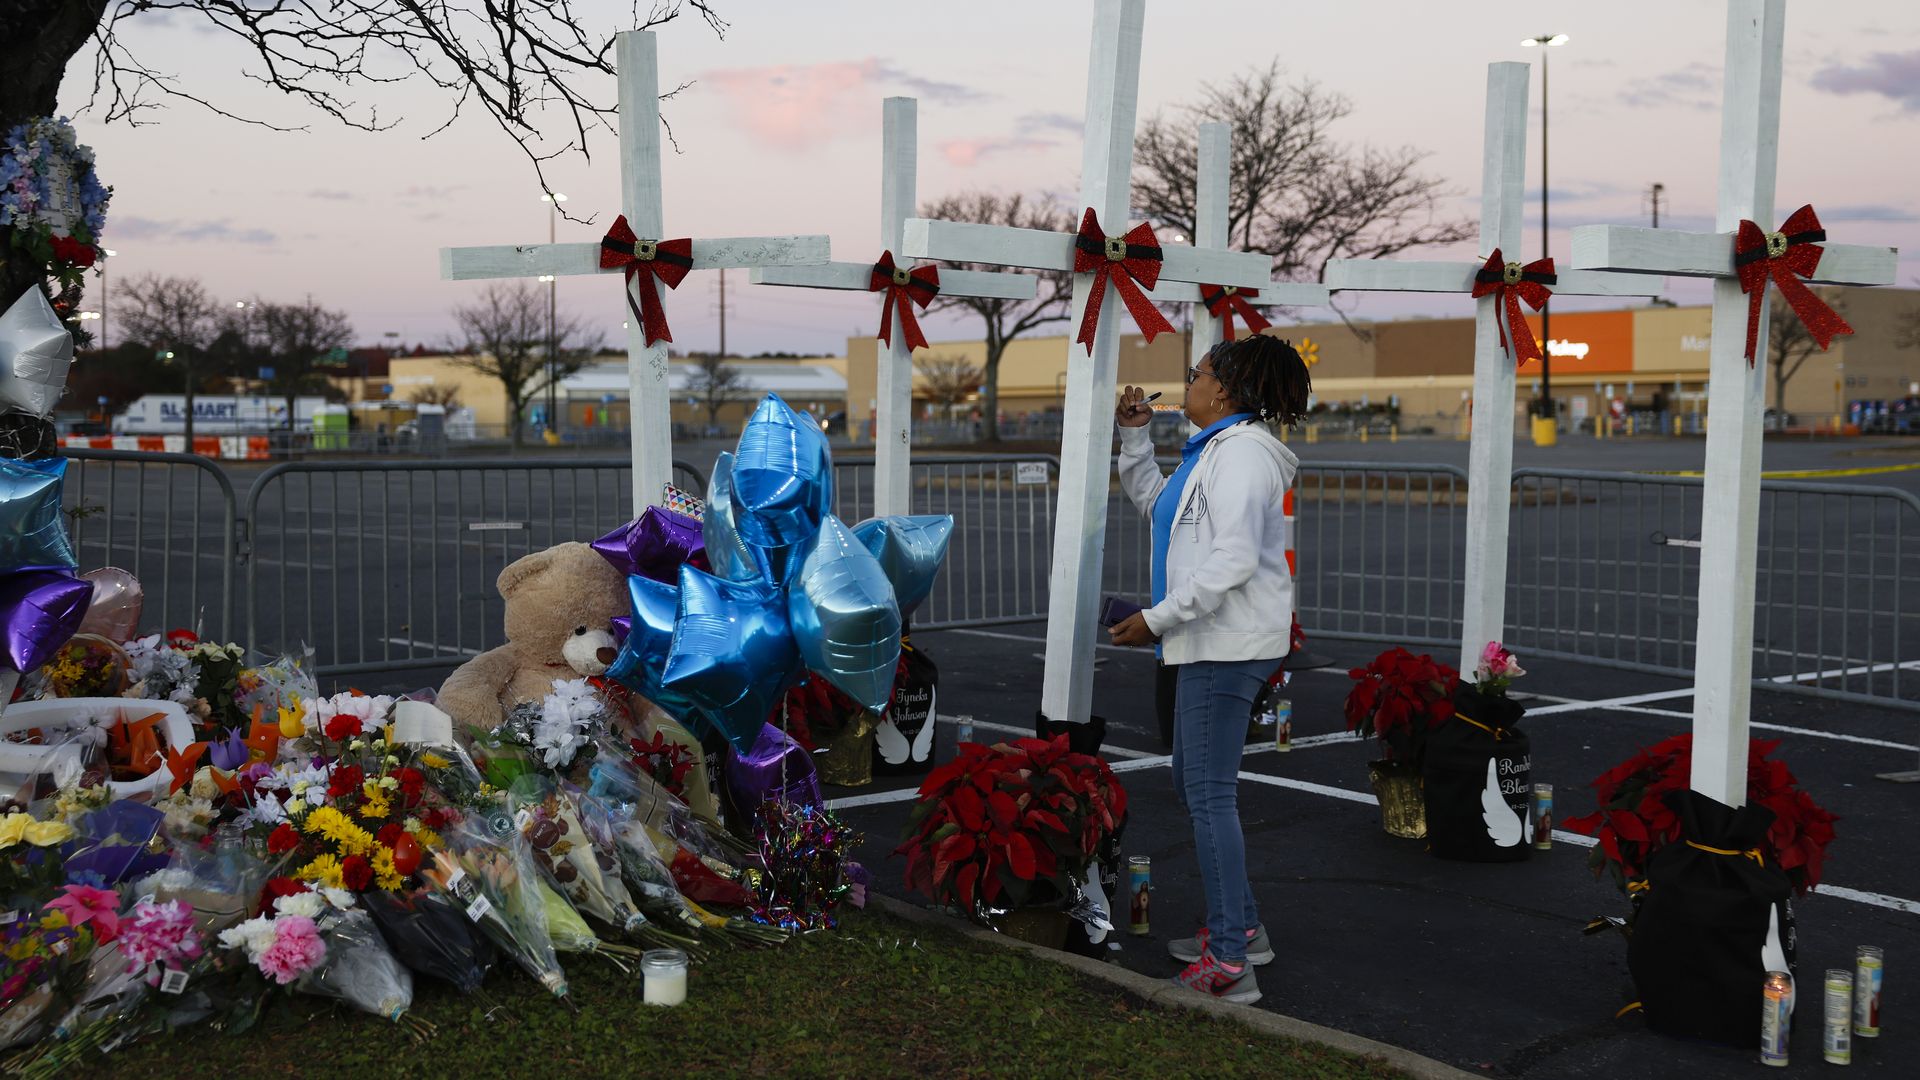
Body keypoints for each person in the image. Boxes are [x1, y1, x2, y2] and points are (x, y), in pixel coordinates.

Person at [1109, 334, 1310, 1005]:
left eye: (1194, 375)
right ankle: (1242, 930)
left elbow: (1231, 560)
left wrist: (1158, 618)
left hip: (1225, 642)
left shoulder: (1244, 455)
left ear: (1223, 389)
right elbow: (1157, 507)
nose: (1185, 385)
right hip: (1209, 639)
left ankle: (1230, 962)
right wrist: (1135, 438)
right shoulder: (1216, 453)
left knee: (1208, 794)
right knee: (1195, 784)